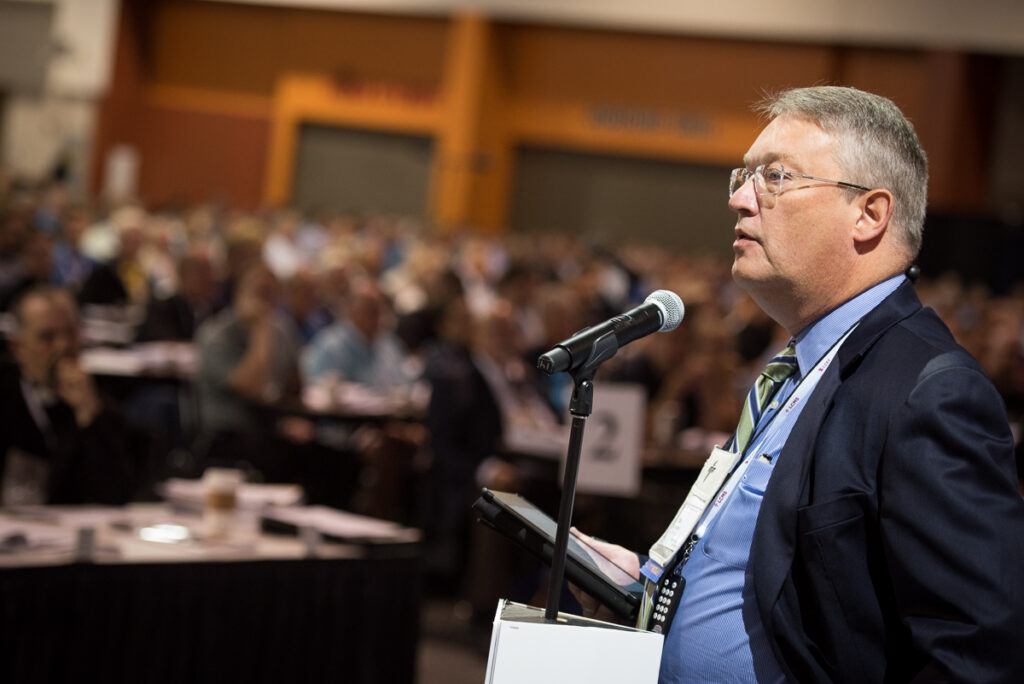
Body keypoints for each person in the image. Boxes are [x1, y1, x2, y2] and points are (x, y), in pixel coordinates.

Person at [573, 86, 1024, 683]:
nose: (739, 198)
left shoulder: (929, 392)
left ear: (869, 213)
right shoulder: (802, 364)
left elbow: (975, 655)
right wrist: (650, 588)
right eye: (743, 176)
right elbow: (767, 573)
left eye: (776, 177)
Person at [0, 286, 133, 504]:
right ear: (17, 346)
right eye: (47, 337)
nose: (63, 345)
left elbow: (117, 496)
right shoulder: (6, 395)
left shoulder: (102, 401)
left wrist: (90, 415)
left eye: (71, 332)